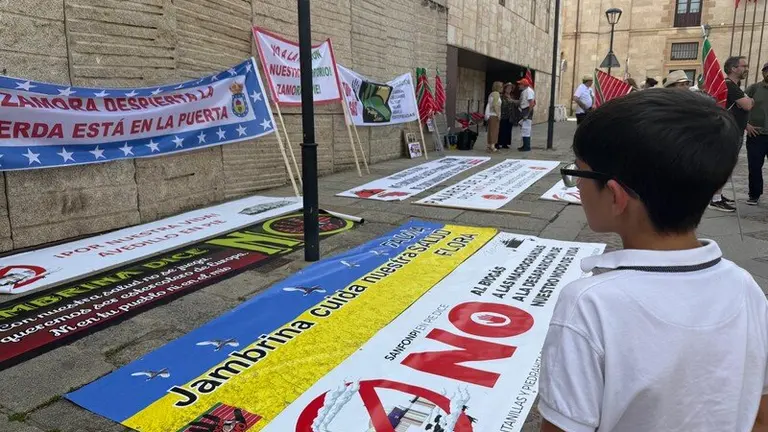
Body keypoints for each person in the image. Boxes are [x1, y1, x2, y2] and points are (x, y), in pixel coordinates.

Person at [538, 89, 768, 432]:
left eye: (579, 175)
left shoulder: (589, 305)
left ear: (615, 196)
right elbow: (759, 412)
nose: (576, 186)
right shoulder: (745, 288)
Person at [710, 56, 754, 212]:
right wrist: (749, 100)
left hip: (734, 130)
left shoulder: (733, 85)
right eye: (744, 65)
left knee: (726, 166)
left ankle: (717, 194)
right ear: (734, 68)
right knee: (725, 166)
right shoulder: (730, 85)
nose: (746, 68)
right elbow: (747, 105)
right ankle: (715, 199)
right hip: (730, 132)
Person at [746, 63, 768, 205]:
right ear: (763, 72)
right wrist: (746, 125)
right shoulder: (754, 88)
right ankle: (754, 194)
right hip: (756, 135)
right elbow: (739, 106)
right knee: (754, 167)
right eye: (767, 71)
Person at [484, 81, 503, 153]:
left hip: (491, 115)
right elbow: (495, 105)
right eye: (501, 87)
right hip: (494, 115)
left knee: (491, 130)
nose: (502, 88)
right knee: (494, 131)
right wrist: (498, 114)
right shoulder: (496, 94)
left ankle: (489, 145)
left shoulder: (491, 94)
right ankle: (492, 146)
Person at [517, 78, 535, 152]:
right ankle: (525, 145)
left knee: (526, 129)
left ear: (523, 85)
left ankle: (527, 146)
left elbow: (531, 103)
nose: (519, 86)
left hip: (527, 110)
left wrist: (528, 114)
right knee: (524, 129)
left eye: (520, 84)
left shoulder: (528, 91)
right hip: (524, 110)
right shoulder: (525, 91)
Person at [498, 82, 517, 149]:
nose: (509, 89)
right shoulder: (501, 96)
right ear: (505, 88)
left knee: (508, 130)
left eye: (510, 88)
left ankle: (505, 143)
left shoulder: (512, 96)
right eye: (508, 88)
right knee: (502, 129)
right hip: (503, 115)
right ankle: (499, 143)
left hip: (510, 116)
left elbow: (515, 104)